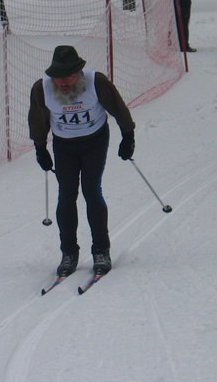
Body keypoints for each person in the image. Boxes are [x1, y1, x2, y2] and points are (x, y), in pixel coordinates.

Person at [28, 45, 136, 277]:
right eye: (58, 77)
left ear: (78, 72)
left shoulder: (96, 82)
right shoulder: (42, 88)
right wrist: (40, 148)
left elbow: (118, 108)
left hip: (94, 141)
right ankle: (69, 252)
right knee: (66, 194)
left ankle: (101, 250)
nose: (63, 82)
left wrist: (128, 136)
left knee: (91, 189)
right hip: (64, 145)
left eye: (68, 76)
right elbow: (37, 118)